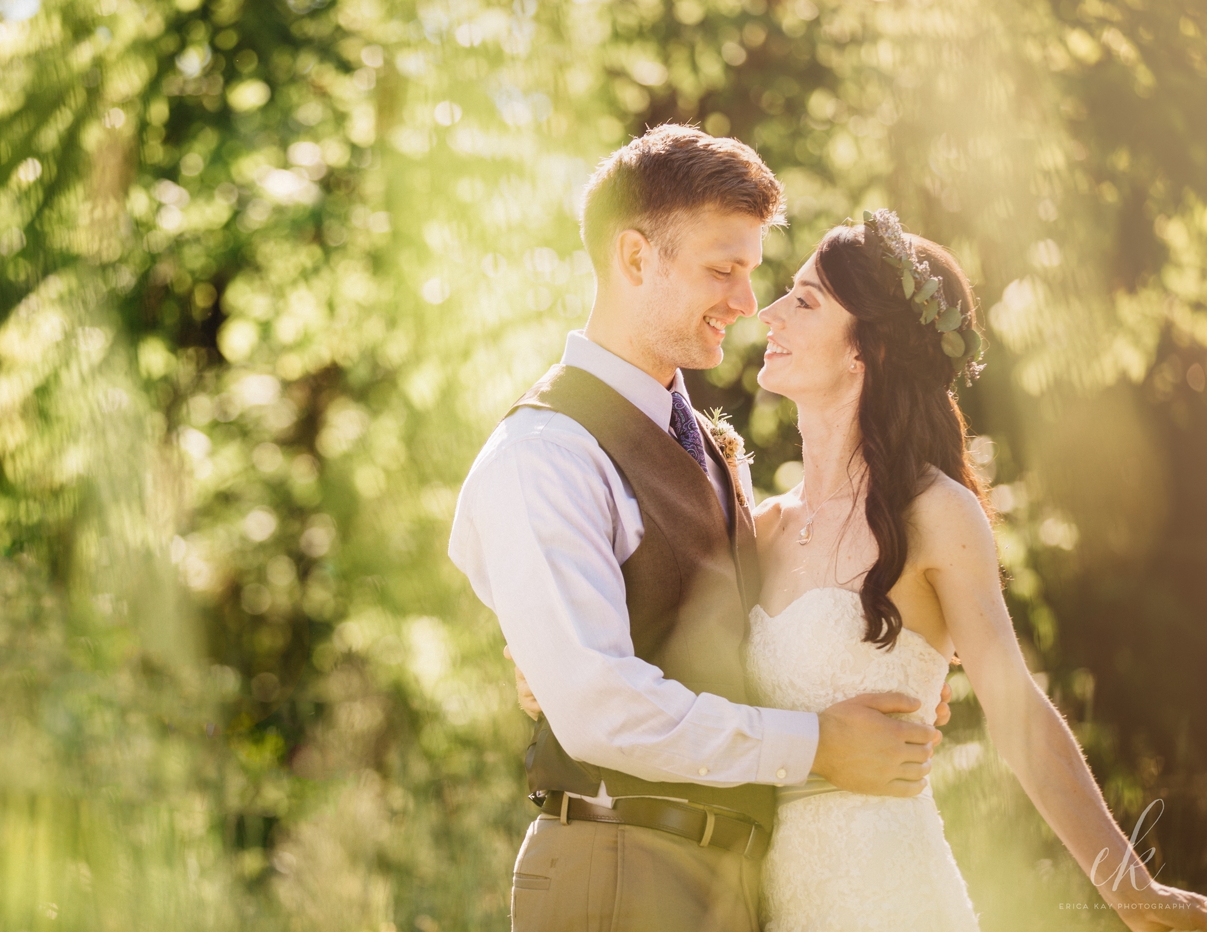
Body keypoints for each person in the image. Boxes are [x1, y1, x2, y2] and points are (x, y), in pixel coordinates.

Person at [448, 125, 953, 932]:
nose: (748, 303)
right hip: (621, 871)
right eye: (724, 270)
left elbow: (722, 639)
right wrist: (817, 742)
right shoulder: (544, 455)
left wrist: (869, 676)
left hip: (739, 881)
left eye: (751, 273)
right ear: (636, 258)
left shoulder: (704, 446)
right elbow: (602, 707)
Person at [740, 209, 1207, 930]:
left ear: (869, 347)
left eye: (804, 300)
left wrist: (1132, 891)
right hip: (768, 902)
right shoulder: (759, 527)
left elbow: (1018, 713)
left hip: (891, 898)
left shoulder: (936, 514)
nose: (768, 313)